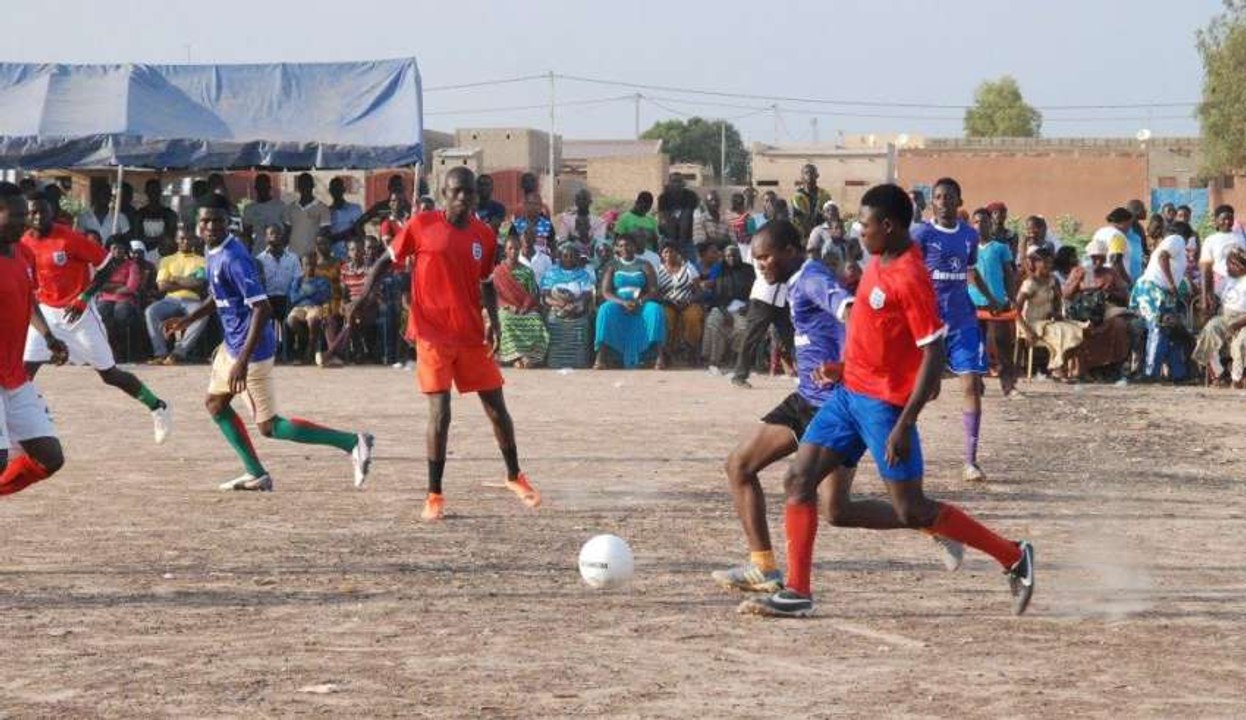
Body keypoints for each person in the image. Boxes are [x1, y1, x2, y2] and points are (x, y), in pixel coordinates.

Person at [739, 183, 1034, 619]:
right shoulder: (878, 259)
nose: (859, 231)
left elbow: (933, 353)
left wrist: (904, 422)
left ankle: (1012, 555)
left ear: (889, 226)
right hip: (847, 396)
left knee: (911, 509)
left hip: (884, 407)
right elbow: (873, 330)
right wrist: (842, 367)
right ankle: (798, 590)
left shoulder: (911, 277)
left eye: (865, 224)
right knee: (799, 480)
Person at [344, 166, 540, 520]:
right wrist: (363, 297)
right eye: (455, 191)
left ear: (476, 197)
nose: (463, 197)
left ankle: (515, 476)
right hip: (432, 335)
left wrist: (493, 323)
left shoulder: (484, 236)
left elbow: (485, 284)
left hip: (469, 335)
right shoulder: (421, 225)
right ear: (444, 193)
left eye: (469, 192)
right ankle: (434, 494)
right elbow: (385, 263)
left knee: (497, 407)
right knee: (441, 414)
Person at [163, 197, 373, 492]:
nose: (210, 226)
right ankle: (255, 473)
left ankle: (352, 442)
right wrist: (188, 320)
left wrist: (242, 361)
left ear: (229, 224)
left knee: (269, 426)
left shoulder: (235, 258)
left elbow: (262, 309)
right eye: (205, 221)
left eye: (217, 220)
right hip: (233, 345)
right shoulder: (212, 252)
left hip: (251, 350)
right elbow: (219, 296)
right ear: (198, 225)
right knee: (215, 403)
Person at [22, 193, 172, 444]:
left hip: (79, 314)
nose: (37, 216)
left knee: (109, 374)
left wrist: (84, 297)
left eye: (42, 211)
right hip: (45, 313)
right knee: (24, 372)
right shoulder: (23, 242)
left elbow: (109, 265)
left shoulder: (69, 238)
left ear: (52, 212)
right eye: (32, 212)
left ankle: (158, 406)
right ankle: (30, 422)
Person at [912, 178, 1010, 484]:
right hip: (928, 322)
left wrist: (993, 299)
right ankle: (900, 439)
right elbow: (908, 273)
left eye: (949, 197)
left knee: (971, 385)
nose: (943, 202)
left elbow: (969, 272)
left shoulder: (969, 235)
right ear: (932, 203)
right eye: (938, 197)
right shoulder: (921, 234)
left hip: (962, 320)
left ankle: (970, 460)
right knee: (925, 391)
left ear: (959, 201)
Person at [0, 182, 69, 498]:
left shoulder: (24, 252)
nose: (23, 222)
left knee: (49, 457)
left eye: (22, 215)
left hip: (14, 376)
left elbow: (27, 299)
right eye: (13, 215)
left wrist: (49, 336)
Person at [1129, 222, 1193, 381]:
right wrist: (1171, 283)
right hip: (1154, 289)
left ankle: (1178, 372)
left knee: (1170, 330)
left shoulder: (1175, 244)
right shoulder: (1176, 239)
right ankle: (1150, 372)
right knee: (1159, 327)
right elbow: (1162, 256)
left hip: (1161, 291)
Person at [1062, 237, 1132, 378]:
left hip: (1103, 311)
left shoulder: (1110, 273)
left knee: (1119, 326)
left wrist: (1109, 293)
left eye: (1101, 259)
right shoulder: (1078, 272)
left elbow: (1124, 295)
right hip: (1081, 312)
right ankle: (1085, 368)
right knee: (1084, 329)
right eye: (1094, 258)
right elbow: (1066, 294)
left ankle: (1111, 366)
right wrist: (1077, 281)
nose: (1097, 262)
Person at [594, 233, 666, 369]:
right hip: (619, 303)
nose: (625, 248)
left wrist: (639, 302)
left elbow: (653, 289)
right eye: (621, 246)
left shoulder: (645, 265)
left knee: (655, 310)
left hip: (641, 303)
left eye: (628, 245)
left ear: (634, 247)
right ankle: (601, 356)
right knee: (605, 310)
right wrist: (622, 302)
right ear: (616, 248)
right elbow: (606, 292)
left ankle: (659, 356)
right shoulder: (612, 265)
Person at [1015, 247, 1084, 379]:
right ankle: (1057, 368)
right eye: (1045, 263)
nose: (1048, 266)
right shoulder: (1030, 284)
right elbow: (1016, 310)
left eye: (1050, 263)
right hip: (1032, 323)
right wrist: (1026, 330)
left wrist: (1056, 312)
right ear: (1035, 264)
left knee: (1079, 329)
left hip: (1049, 322)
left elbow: (1058, 300)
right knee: (1063, 331)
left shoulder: (1053, 280)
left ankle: (1060, 365)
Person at [144, 225, 208, 365]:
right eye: (182, 238)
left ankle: (179, 353)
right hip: (170, 300)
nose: (185, 242)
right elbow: (162, 286)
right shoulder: (166, 260)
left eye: (188, 239)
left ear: (193, 241)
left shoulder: (202, 261)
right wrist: (188, 281)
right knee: (151, 311)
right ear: (176, 240)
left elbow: (199, 283)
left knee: (202, 314)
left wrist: (175, 278)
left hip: (193, 301)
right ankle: (160, 353)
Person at [969, 209, 1018, 386]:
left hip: (998, 303)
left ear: (990, 224)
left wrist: (1012, 297)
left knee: (1003, 343)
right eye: (976, 222)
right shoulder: (969, 248)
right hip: (974, 303)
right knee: (975, 345)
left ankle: (1008, 384)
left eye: (983, 221)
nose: (979, 225)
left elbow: (1009, 274)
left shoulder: (1000, 248)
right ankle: (977, 383)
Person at [489, 234, 549, 368]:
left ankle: (530, 357)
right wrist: (508, 307)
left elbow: (533, 292)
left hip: (525, 308)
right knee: (505, 320)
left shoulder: (527, 271)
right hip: (506, 309)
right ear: (505, 250)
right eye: (510, 248)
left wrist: (525, 307)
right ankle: (516, 357)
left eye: (516, 249)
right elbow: (495, 295)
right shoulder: (498, 272)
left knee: (536, 320)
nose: (514, 252)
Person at [1193, 247, 1246, 386]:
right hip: (1225, 317)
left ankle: (1237, 378)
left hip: (1243, 320)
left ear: (1239, 266)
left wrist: (1237, 324)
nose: (1227, 268)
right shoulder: (1227, 280)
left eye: (1231, 264)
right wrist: (1208, 301)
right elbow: (1215, 296)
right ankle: (1219, 374)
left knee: (1240, 342)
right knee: (1209, 332)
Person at [541, 241, 596, 369]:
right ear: (559, 257)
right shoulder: (551, 273)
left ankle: (580, 360)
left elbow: (587, 294)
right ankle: (553, 360)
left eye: (572, 256)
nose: (569, 259)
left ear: (577, 258)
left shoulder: (583, 274)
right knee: (550, 320)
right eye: (565, 256)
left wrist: (575, 305)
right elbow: (545, 295)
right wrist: (559, 304)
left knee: (584, 323)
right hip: (556, 307)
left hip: (577, 308)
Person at [702, 244, 754, 368]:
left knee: (742, 328)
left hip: (742, 307)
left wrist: (748, 305)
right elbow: (716, 295)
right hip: (722, 306)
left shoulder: (748, 270)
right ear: (724, 257)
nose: (731, 258)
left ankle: (734, 355)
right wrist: (724, 311)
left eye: (734, 255)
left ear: (739, 256)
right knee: (712, 322)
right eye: (728, 256)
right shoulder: (720, 271)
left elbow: (755, 292)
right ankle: (714, 359)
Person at [655, 241, 703, 367]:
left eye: (672, 251)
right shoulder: (658, 270)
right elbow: (655, 292)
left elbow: (699, 291)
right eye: (665, 252)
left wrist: (689, 301)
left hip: (688, 302)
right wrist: (668, 302)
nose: (669, 254)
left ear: (677, 253)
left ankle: (692, 350)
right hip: (667, 303)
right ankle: (666, 352)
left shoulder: (688, 267)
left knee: (692, 316)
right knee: (666, 317)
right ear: (661, 255)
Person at [95, 237, 144, 362]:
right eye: (114, 248)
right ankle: (107, 352)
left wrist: (109, 287)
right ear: (109, 250)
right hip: (105, 299)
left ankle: (122, 351)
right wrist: (119, 286)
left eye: (121, 248)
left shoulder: (132, 266)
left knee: (121, 311)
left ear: (126, 250)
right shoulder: (104, 266)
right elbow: (98, 285)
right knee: (102, 311)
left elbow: (131, 288)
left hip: (126, 299)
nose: (118, 251)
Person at [285, 250, 335, 367]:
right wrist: (310, 291)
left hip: (315, 307)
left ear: (316, 265)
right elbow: (293, 298)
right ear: (302, 266)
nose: (310, 267)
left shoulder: (322, 280)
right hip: (300, 308)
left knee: (313, 320)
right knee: (291, 320)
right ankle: (309, 342)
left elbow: (323, 297)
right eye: (307, 264)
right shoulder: (297, 281)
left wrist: (303, 292)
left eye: (312, 264)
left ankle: (309, 351)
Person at [1199, 205, 1244, 316]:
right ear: (1216, 221)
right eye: (1224, 218)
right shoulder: (1211, 240)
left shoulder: (1241, 237)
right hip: (1221, 289)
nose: (1227, 222)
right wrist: (1205, 297)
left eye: (1230, 218)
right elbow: (1205, 270)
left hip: (1241, 287)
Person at [255, 224, 301, 329]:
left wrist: (291, 299)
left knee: (287, 324)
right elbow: (258, 284)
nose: (275, 236)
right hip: (267, 300)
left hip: (287, 299)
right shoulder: (259, 260)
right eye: (271, 233)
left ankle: (287, 344)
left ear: (283, 237)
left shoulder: (293, 258)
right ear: (266, 238)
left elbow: (297, 280)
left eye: (278, 233)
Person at [286, 173, 331, 258]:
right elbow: (287, 232)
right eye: (302, 185)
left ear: (312, 186)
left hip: (312, 257)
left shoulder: (322, 207)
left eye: (307, 184)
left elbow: (325, 232)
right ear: (298, 187)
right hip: (293, 256)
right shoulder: (291, 208)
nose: (305, 187)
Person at [133, 179, 179, 261]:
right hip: (144, 253)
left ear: (160, 192)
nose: (154, 193)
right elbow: (137, 236)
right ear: (146, 192)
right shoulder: (140, 214)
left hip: (165, 253)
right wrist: (158, 239)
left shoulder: (169, 214)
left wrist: (155, 240)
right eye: (151, 191)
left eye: (156, 190)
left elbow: (170, 236)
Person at [241, 173, 287, 252]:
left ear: (269, 187)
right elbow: (246, 233)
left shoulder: (280, 206)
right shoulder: (249, 208)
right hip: (258, 251)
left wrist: (281, 245)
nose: (262, 190)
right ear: (255, 188)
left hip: (278, 251)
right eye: (260, 187)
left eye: (265, 187)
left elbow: (288, 230)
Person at [75, 179, 130, 244]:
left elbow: (127, 239)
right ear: (96, 195)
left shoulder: (120, 217)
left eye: (108, 194)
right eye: (103, 193)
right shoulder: (83, 217)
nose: (106, 197)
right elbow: (79, 238)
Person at [658, 174, 700, 259]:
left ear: (683, 184)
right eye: (674, 181)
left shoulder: (690, 196)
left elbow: (686, 218)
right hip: (669, 238)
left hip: (687, 238)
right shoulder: (663, 198)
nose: (676, 184)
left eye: (679, 181)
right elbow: (665, 220)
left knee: (691, 264)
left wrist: (681, 244)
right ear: (669, 183)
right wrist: (673, 244)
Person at [1092, 208, 1136, 286]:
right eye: (1130, 224)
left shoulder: (1099, 233)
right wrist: (1128, 281)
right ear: (1124, 222)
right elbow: (1115, 261)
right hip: (1114, 282)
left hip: (1098, 279)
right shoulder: (1118, 236)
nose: (1130, 228)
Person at [555, 188, 604, 255]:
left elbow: (599, 243)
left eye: (584, 199)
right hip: (571, 256)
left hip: (592, 257)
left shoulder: (598, 222)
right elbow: (562, 241)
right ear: (575, 201)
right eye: (579, 199)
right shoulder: (567, 220)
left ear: (590, 202)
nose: (581, 202)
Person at [790, 164, 833, 238]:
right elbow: (798, 219)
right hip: (802, 236)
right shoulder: (796, 197)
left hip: (822, 235)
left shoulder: (825, 195)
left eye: (812, 172)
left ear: (817, 175)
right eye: (806, 173)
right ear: (801, 177)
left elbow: (830, 216)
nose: (809, 175)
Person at [326, 177, 364, 258]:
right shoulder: (326, 212)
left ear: (343, 189)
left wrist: (336, 237)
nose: (336, 191)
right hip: (333, 257)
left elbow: (359, 232)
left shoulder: (355, 209)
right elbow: (325, 236)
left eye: (338, 188)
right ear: (330, 191)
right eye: (334, 188)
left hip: (350, 257)